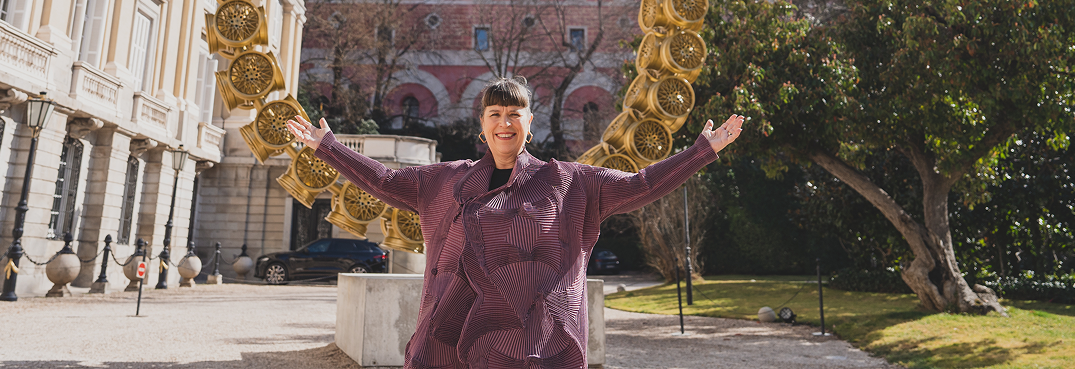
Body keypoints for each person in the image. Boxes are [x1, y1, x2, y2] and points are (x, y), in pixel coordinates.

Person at [285, 76, 745, 369]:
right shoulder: (446, 180)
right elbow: (384, 180)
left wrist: (701, 152)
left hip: (541, 346)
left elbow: (643, 184)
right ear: (482, 125)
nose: (505, 122)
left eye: (514, 114)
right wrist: (328, 146)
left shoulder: (570, 181)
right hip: (451, 340)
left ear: (530, 122)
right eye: (495, 114)